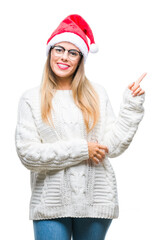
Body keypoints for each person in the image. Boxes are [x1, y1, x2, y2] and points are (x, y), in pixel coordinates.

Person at [15, 14, 146, 240]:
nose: (64, 57)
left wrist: (131, 107)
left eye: (73, 52)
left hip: (95, 200)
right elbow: (28, 155)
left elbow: (111, 147)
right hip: (50, 203)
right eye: (59, 49)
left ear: (80, 59)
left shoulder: (97, 94)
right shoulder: (31, 98)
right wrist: (82, 149)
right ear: (49, 53)